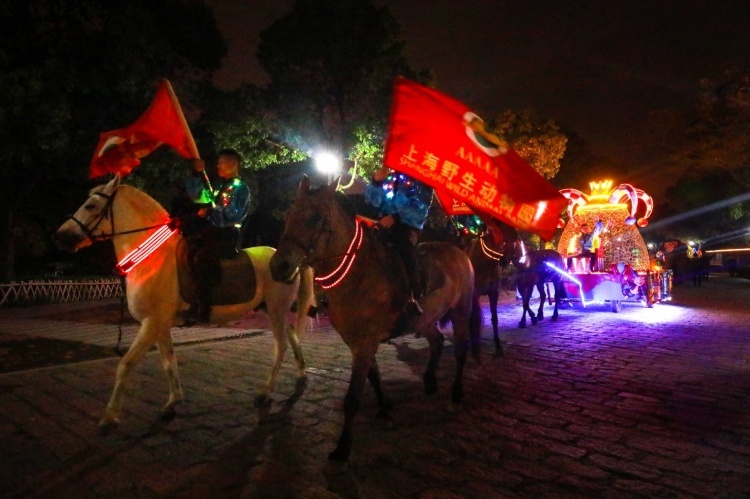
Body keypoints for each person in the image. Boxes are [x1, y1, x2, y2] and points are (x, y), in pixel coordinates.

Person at [182, 149, 251, 324]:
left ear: (233, 164)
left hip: (227, 234)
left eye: (222, 162)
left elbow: (232, 214)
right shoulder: (220, 187)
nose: (218, 165)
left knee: (203, 258)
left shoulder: (241, 189)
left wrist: (211, 211)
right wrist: (197, 173)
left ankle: (204, 306)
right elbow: (198, 196)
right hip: (211, 232)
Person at [364, 166, 433, 323]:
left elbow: (421, 206)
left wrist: (396, 217)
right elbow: (373, 201)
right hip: (385, 224)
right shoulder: (391, 177)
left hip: (408, 226)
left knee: (403, 249)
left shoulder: (421, 178)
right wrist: (375, 182)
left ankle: (412, 297)